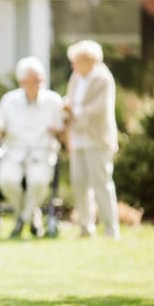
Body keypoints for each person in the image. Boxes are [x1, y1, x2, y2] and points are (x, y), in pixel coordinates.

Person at [0, 56, 64, 238]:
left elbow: (63, 128)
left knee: (38, 182)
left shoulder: (53, 101)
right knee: (7, 181)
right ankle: (31, 216)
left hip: (42, 153)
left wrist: (58, 129)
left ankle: (21, 221)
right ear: (22, 82)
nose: (39, 83)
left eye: (40, 79)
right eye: (35, 79)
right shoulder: (9, 101)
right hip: (13, 152)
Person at [63, 39, 121, 239]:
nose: (73, 65)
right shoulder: (76, 77)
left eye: (76, 61)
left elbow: (100, 110)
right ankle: (86, 227)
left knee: (101, 183)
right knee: (79, 183)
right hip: (78, 138)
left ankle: (111, 229)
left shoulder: (103, 78)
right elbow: (69, 99)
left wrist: (74, 111)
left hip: (98, 139)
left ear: (89, 60)